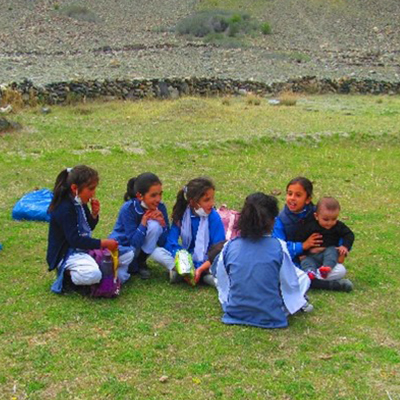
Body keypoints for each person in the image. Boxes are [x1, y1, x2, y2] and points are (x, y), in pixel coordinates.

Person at [213, 193, 312, 329]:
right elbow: (290, 284)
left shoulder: (229, 246)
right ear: (272, 220)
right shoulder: (279, 246)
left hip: (235, 311)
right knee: (303, 278)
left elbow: (223, 284)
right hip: (270, 315)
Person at [273, 177, 353, 292]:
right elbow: (279, 248)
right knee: (282, 273)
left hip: (320, 259)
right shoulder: (280, 220)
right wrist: (304, 246)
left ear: (308, 199)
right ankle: (322, 283)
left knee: (340, 270)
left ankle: (309, 279)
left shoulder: (319, 213)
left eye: (298, 195)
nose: (292, 198)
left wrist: (339, 249)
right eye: (290, 194)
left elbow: (338, 231)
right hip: (294, 262)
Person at [47, 165, 118, 294]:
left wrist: (94, 215)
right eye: (90, 189)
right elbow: (75, 240)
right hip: (66, 253)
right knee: (93, 274)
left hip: (81, 249)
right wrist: (102, 243)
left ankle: (87, 266)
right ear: (75, 188)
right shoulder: (65, 208)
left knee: (123, 256)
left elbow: (87, 227)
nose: (93, 193)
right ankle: (67, 275)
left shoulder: (79, 202)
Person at [151, 177, 225, 286]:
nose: (211, 203)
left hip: (208, 261)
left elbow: (219, 249)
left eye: (212, 199)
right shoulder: (182, 213)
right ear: (193, 202)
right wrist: (182, 257)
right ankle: (189, 273)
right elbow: (171, 241)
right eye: (206, 200)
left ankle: (193, 275)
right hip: (187, 257)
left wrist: (201, 267)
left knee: (221, 265)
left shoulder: (213, 217)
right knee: (155, 252)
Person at [109, 173, 169, 283]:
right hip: (123, 246)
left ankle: (141, 262)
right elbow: (133, 242)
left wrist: (163, 224)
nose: (158, 199)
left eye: (160, 194)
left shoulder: (160, 207)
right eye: (153, 195)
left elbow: (163, 242)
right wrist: (143, 223)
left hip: (136, 250)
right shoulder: (128, 208)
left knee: (155, 226)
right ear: (140, 196)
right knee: (120, 277)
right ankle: (129, 264)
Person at [300, 197, 355, 280]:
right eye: (325, 219)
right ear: (316, 216)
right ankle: (310, 272)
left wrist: (345, 246)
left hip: (328, 253)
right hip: (311, 254)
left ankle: (326, 269)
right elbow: (299, 237)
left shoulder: (338, 226)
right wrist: (302, 253)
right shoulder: (310, 226)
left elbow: (349, 234)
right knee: (306, 261)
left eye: (334, 219)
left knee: (332, 251)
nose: (330, 223)